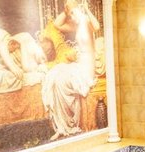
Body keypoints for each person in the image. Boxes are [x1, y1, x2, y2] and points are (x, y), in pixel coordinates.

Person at [41, 0, 100, 140]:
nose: (72, 17)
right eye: (70, 14)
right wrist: (67, 10)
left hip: (87, 66)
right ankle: (61, 126)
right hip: (79, 63)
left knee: (62, 80)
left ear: (80, 10)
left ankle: (68, 124)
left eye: (73, 13)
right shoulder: (76, 25)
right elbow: (57, 25)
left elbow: (97, 27)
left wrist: (86, 10)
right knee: (54, 76)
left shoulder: (87, 22)